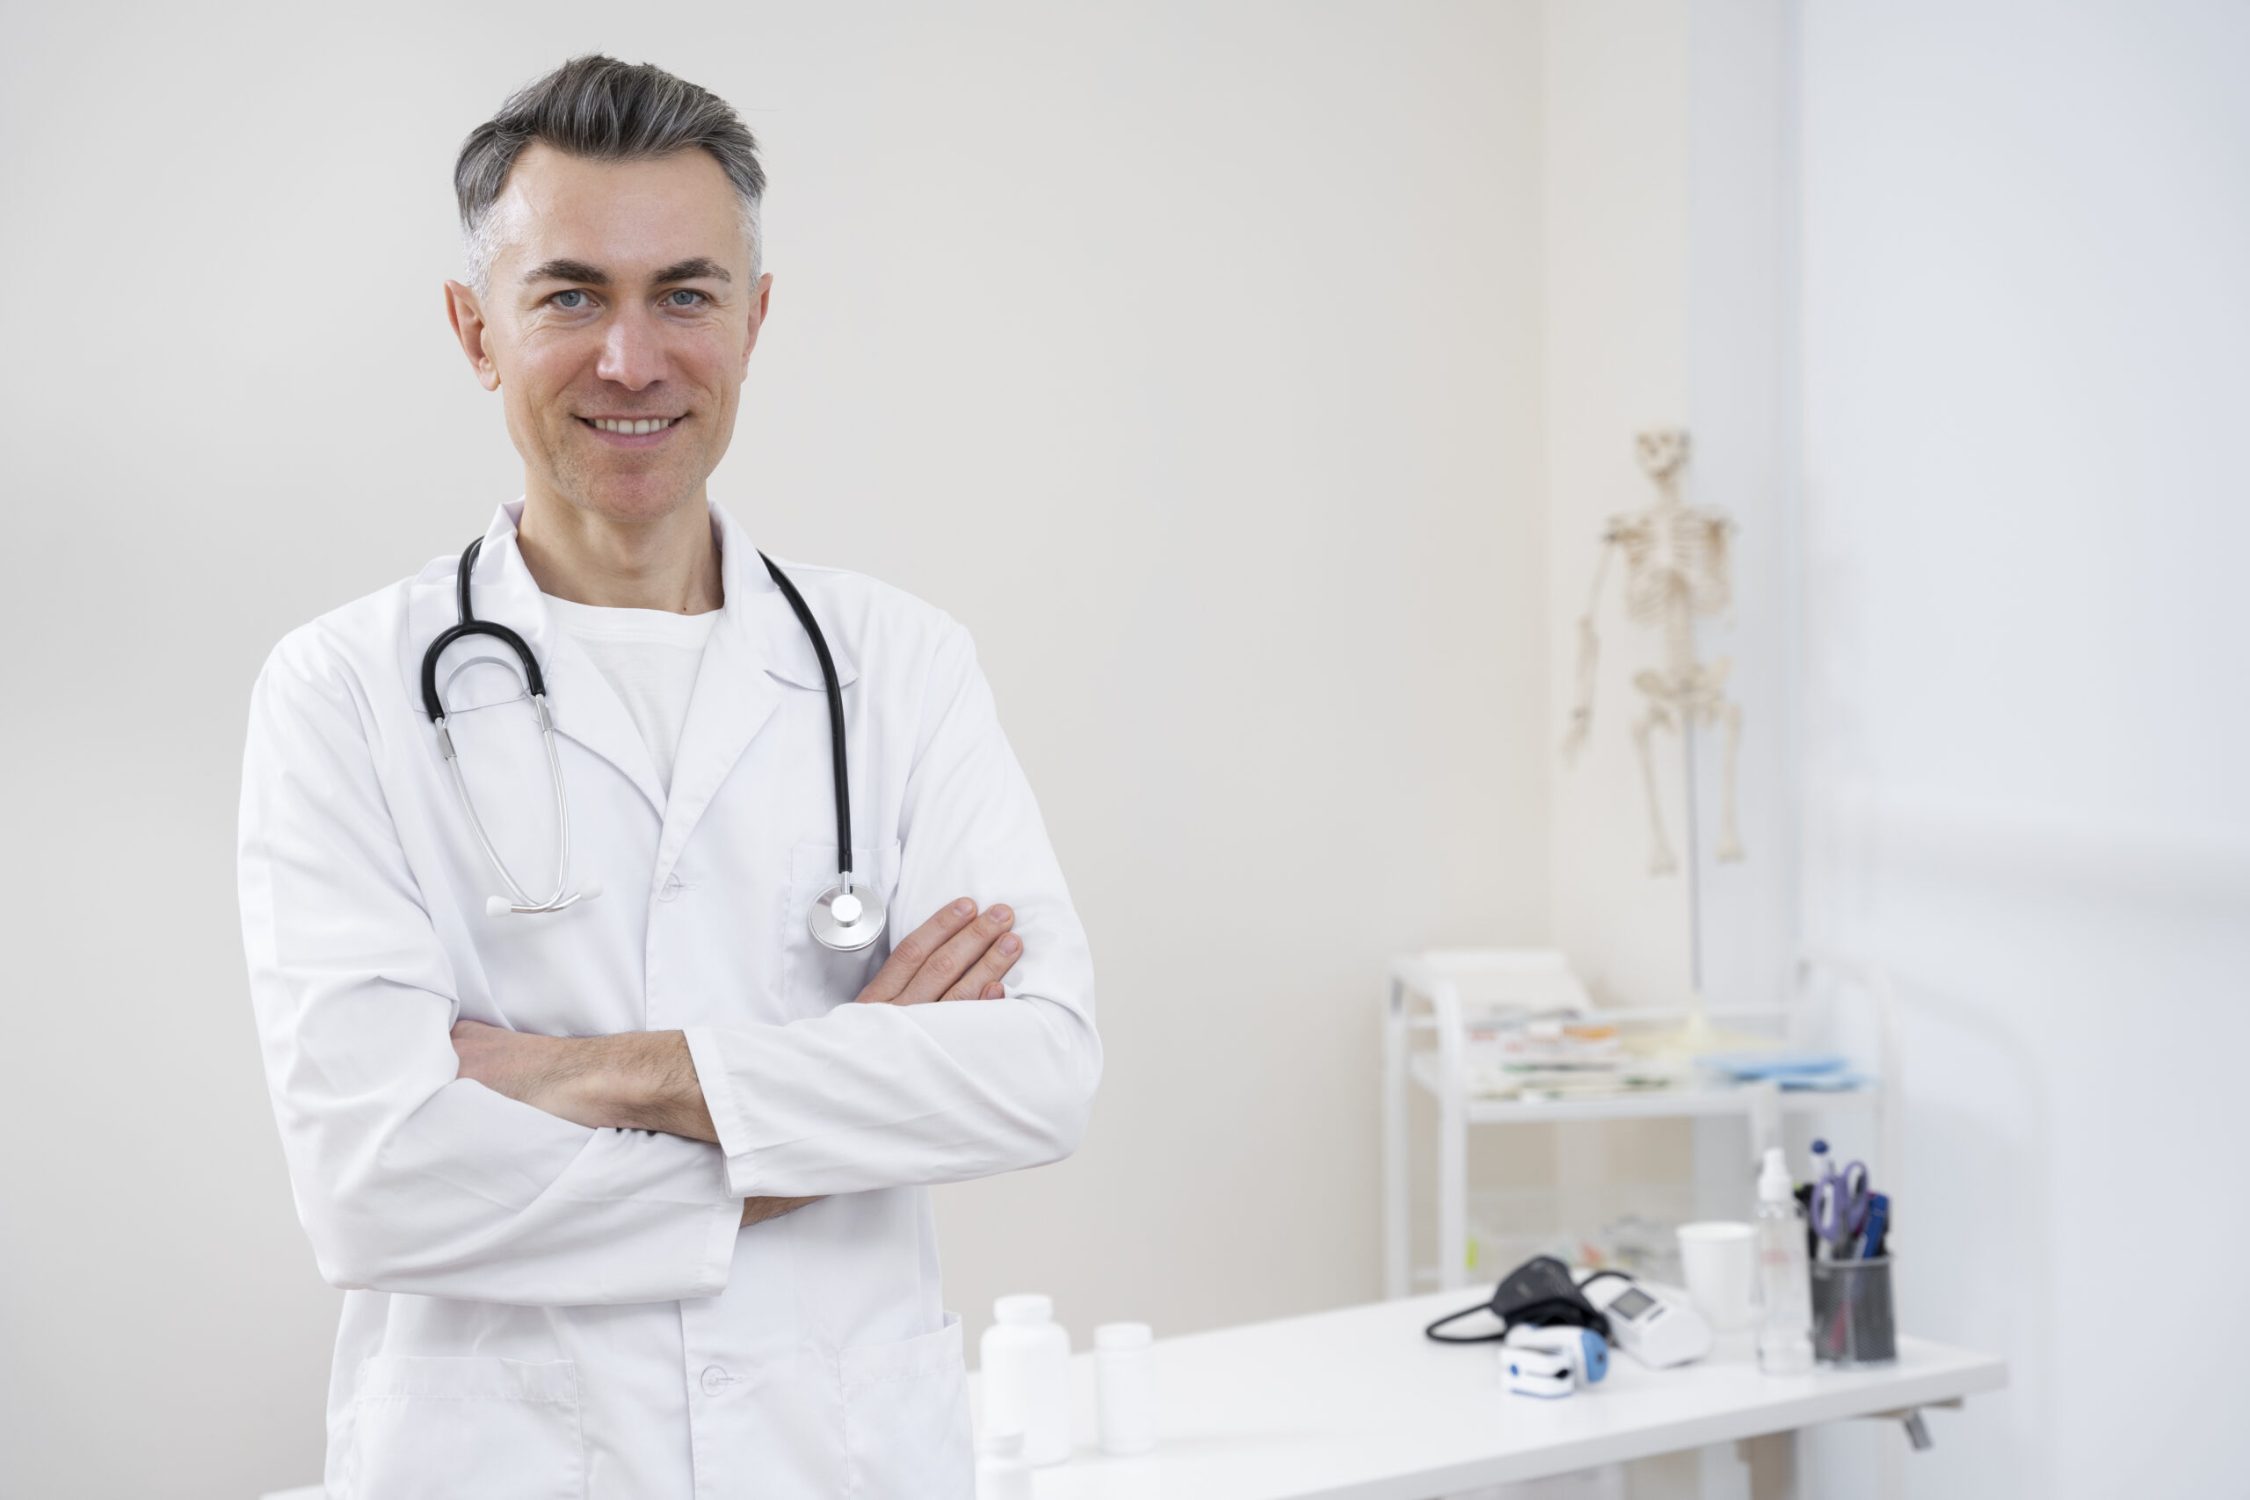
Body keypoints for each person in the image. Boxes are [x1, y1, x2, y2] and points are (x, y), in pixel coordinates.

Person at [235, 54, 1100, 1499]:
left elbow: (1038, 1074)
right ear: (475, 331)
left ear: (753, 321)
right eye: (571, 297)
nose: (631, 360)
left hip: (838, 1457)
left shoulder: (900, 664)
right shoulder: (342, 689)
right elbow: (374, 1188)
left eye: (684, 295)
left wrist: (590, 1073)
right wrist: (841, 1106)